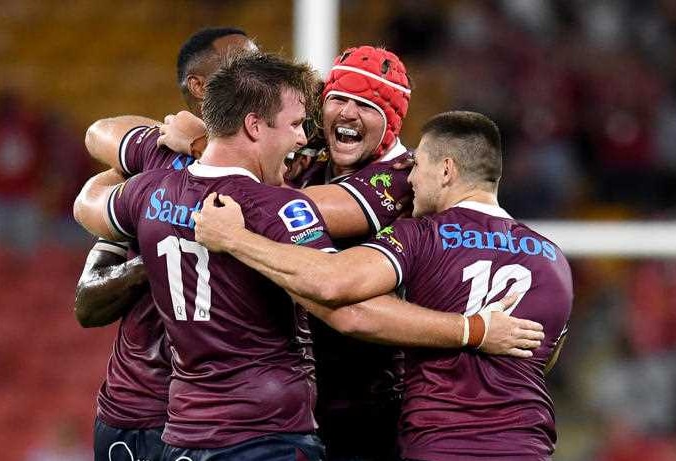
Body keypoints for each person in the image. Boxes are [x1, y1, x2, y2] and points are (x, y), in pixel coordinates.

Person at [74, 52, 545, 459]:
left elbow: (91, 193)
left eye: (369, 105)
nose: (304, 136)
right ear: (256, 126)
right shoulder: (280, 203)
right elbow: (348, 309)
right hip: (266, 429)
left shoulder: (405, 177)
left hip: (204, 426)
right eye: (332, 104)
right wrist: (474, 330)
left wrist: (186, 154)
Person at [191, 110, 573, 460]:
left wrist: (236, 240)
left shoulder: (422, 235)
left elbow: (332, 282)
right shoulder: (553, 258)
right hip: (528, 444)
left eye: (417, 165)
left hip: (441, 444)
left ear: (446, 170)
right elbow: (547, 352)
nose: (409, 178)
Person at [74, 27, 257, 461]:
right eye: (241, 65)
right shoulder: (157, 165)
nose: (256, 74)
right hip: (138, 411)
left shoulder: (277, 166)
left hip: (228, 418)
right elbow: (87, 303)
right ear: (199, 87)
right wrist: (156, 254)